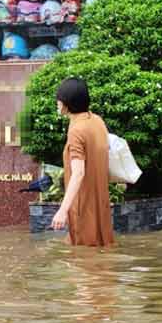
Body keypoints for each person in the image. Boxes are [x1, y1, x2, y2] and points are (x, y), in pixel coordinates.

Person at [51, 77, 115, 246]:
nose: (57, 103)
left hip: (83, 205)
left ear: (67, 103)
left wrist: (62, 211)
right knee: (102, 249)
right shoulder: (96, 120)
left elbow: (78, 172)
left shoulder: (76, 130)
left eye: (59, 99)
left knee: (83, 260)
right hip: (101, 202)